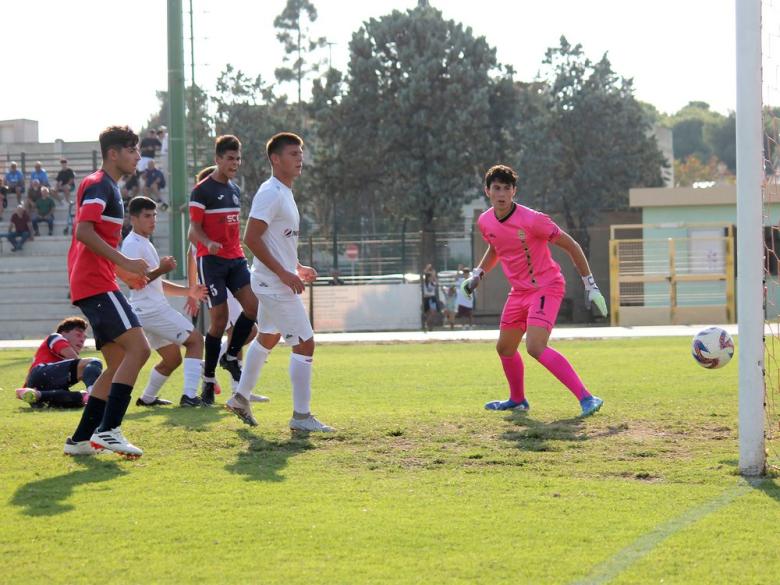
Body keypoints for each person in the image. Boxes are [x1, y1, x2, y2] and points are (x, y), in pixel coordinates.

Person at [461, 164, 606, 417]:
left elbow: (571, 245)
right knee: (505, 348)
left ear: (514, 191)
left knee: (535, 347)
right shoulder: (485, 221)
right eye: (497, 188)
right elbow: (496, 248)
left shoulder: (533, 220)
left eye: (507, 188)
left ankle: (587, 398)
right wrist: (478, 273)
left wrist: (590, 285)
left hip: (546, 287)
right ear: (487, 191)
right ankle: (517, 400)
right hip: (518, 292)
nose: (502, 193)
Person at [224, 132, 333, 432]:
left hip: (274, 281)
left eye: (300, 153)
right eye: (293, 154)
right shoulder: (271, 192)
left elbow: (275, 239)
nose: (300, 159)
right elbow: (251, 238)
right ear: (275, 159)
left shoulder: (284, 191)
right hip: (273, 284)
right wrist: (284, 274)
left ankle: (240, 398)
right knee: (306, 345)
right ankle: (301, 417)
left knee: (267, 338)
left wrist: (295, 266)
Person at [63, 125, 151, 458]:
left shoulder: (106, 186)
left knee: (116, 365)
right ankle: (110, 430)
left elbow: (93, 241)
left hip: (98, 280)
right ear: (113, 153)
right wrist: (125, 261)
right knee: (140, 349)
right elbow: (84, 232)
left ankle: (80, 440)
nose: (138, 156)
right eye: (132, 150)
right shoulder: (100, 184)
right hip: (94, 283)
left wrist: (122, 272)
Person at [188, 135, 258, 405]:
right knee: (219, 320)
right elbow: (193, 229)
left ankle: (230, 357)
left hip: (236, 258)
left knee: (253, 307)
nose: (235, 163)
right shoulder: (202, 191)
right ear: (217, 159)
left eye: (238, 158)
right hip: (212, 261)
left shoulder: (235, 190)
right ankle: (207, 382)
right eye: (230, 158)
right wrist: (208, 243)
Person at [120, 196, 209, 407]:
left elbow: (156, 284)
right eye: (147, 216)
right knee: (196, 341)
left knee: (172, 359)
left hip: (147, 312)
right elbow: (134, 283)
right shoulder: (132, 245)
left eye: (155, 216)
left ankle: (147, 398)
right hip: (152, 311)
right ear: (133, 218)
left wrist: (190, 292)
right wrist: (162, 269)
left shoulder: (143, 243)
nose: (153, 220)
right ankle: (189, 396)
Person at [15, 317, 103, 409]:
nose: (82, 340)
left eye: (84, 338)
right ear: (63, 332)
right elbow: (76, 360)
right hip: (41, 372)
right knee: (94, 362)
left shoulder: (63, 366)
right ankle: (94, 394)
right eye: (78, 335)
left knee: (81, 398)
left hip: (38, 388)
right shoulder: (56, 336)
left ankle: (36, 395)